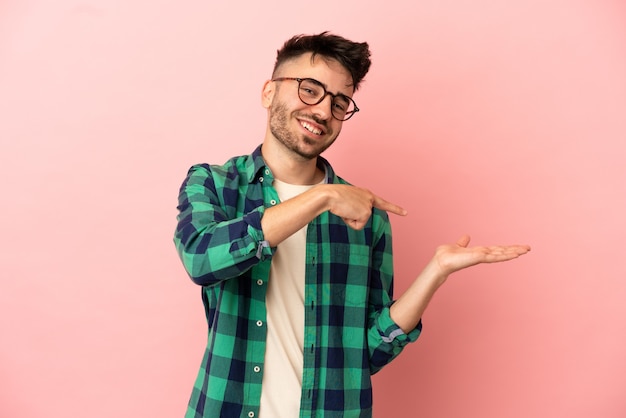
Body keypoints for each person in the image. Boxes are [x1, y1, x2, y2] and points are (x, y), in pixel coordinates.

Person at [173, 32, 530, 418]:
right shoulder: (214, 183)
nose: (324, 111)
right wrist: (321, 197)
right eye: (310, 90)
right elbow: (201, 259)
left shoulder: (366, 216)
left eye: (339, 101)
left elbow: (368, 353)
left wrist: (435, 272)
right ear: (268, 92)